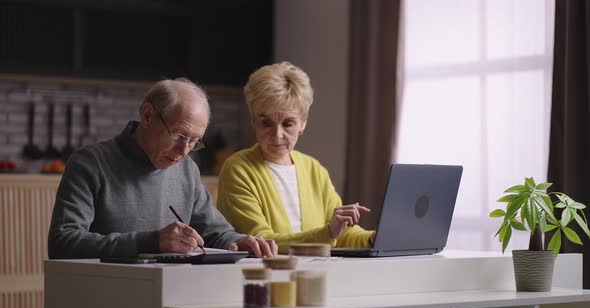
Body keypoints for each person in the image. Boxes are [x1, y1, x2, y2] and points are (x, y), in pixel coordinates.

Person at [48, 78, 277, 259]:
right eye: (178, 135)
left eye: (194, 141)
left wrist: (238, 241)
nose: (185, 151)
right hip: (105, 296)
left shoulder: (187, 170)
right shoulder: (90, 163)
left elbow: (214, 232)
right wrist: (152, 242)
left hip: (170, 296)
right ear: (147, 115)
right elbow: (63, 242)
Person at [217, 62, 374, 254]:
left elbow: (343, 235)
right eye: (266, 123)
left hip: (314, 275)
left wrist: (377, 238)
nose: (277, 135)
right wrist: (328, 232)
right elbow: (262, 241)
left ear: (303, 124)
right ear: (253, 121)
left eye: (288, 124)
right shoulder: (238, 169)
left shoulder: (314, 169)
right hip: (265, 277)